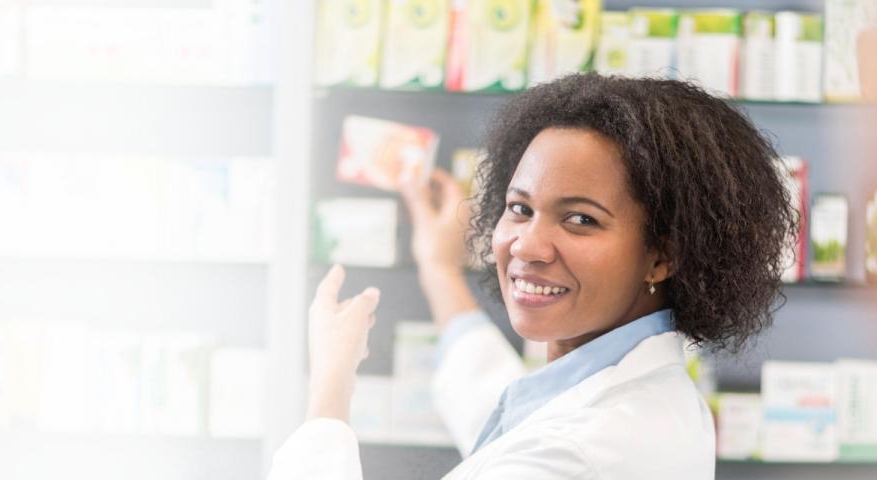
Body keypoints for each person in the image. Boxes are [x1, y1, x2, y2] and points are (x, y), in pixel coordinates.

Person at [269, 73, 797, 479]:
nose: (526, 244)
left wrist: (328, 394)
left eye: (581, 219)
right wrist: (438, 268)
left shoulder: (578, 450)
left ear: (663, 255)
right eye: (519, 208)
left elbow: (542, 446)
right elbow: (500, 406)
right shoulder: (636, 392)